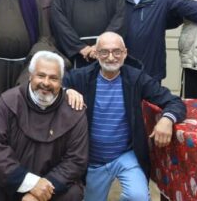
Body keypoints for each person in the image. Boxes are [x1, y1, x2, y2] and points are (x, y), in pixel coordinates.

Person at [63, 32, 186, 201]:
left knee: (138, 197)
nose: (111, 57)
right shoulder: (81, 77)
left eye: (117, 51)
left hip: (125, 155)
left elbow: (174, 101)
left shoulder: (136, 78)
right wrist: (66, 91)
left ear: (125, 53)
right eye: (104, 52)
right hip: (92, 159)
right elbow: (55, 86)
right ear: (96, 54)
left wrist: (167, 119)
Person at [0, 51, 88, 201]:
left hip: (55, 188)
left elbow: (76, 159)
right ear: (30, 76)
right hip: (14, 184)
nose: (46, 83)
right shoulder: (8, 102)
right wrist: (30, 184)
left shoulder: (74, 111)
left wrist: (39, 192)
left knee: (73, 193)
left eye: (53, 78)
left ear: (61, 81)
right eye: (41, 75)